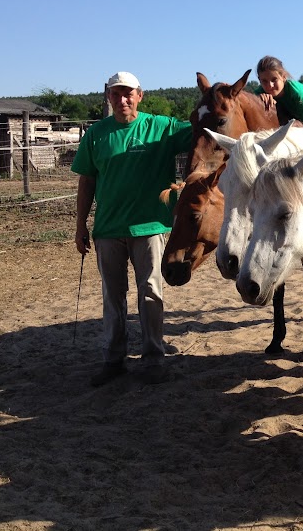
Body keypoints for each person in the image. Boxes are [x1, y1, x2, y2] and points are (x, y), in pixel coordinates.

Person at [72, 71, 192, 387]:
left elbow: (204, 128)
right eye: (116, 94)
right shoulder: (97, 135)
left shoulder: (162, 128)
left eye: (128, 94)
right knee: (113, 296)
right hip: (108, 229)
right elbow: (87, 181)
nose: (122, 99)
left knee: (151, 292)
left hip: (149, 227)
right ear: (108, 97)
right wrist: (80, 224)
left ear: (140, 95)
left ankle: (153, 358)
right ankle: (114, 360)